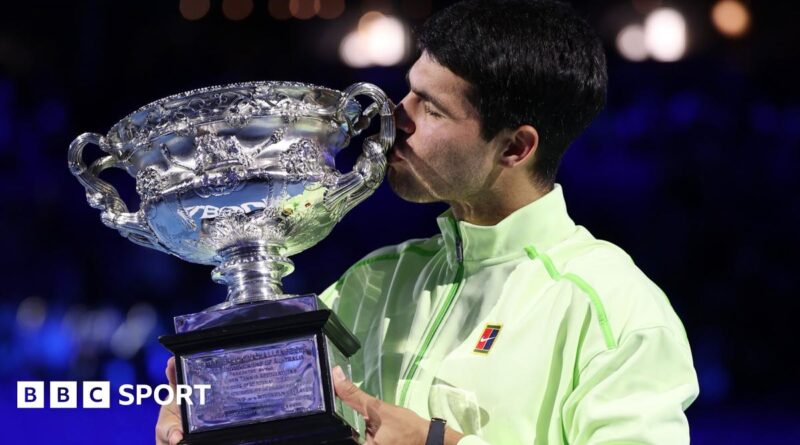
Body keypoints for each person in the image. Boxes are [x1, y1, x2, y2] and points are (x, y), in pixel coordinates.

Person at [156, 1, 699, 444]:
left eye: (432, 109)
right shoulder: (371, 282)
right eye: (408, 89)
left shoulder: (612, 305)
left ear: (515, 146)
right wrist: (214, 415)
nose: (395, 117)